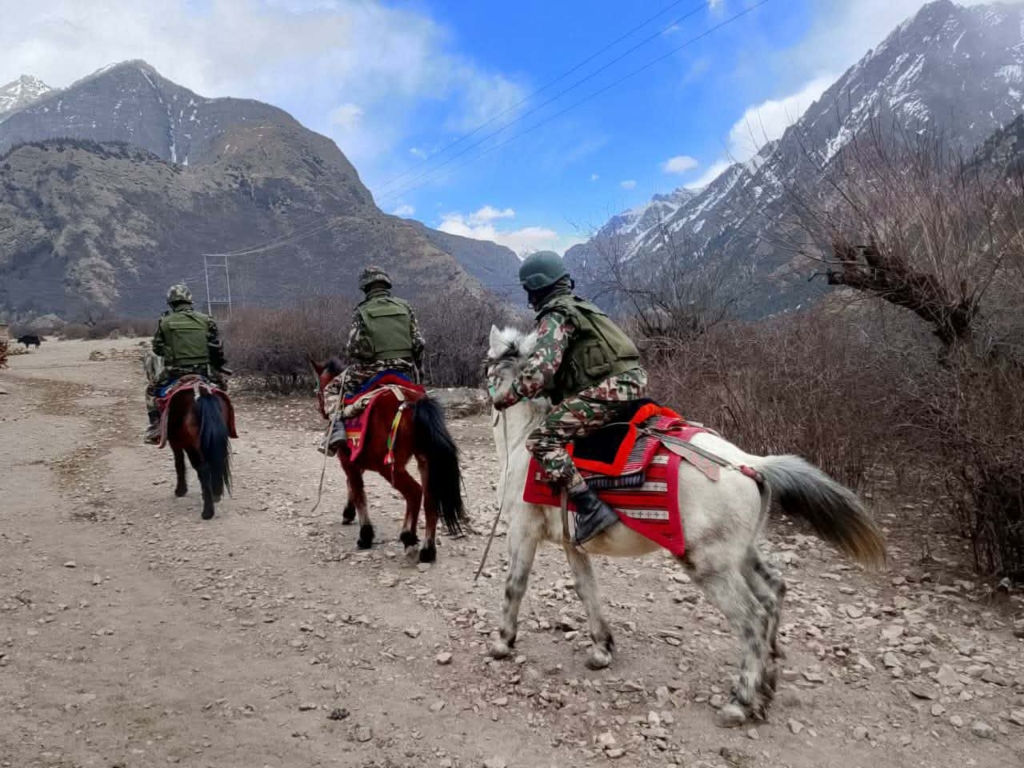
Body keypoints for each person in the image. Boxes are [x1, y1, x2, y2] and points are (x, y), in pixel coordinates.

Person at [489, 251, 648, 546]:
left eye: (529, 291)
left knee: (542, 440)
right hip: (632, 381)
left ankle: (590, 507)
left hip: (610, 389)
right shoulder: (584, 308)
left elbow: (541, 371)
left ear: (536, 288)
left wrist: (506, 397)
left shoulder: (556, 315)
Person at [321, 266, 425, 453]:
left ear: (365, 288)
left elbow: (353, 347)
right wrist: (419, 367)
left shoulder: (361, 311)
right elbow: (419, 343)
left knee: (331, 387)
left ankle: (336, 428)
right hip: (404, 367)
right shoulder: (405, 307)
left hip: (371, 369)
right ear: (386, 284)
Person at [144, 284, 229, 444]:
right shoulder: (206, 320)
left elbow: (157, 349)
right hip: (204, 371)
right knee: (222, 389)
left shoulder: (165, 322)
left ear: (171, 303)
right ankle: (226, 423)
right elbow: (216, 347)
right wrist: (218, 372)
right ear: (190, 301)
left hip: (174, 372)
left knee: (150, 392)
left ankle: (155, 427)